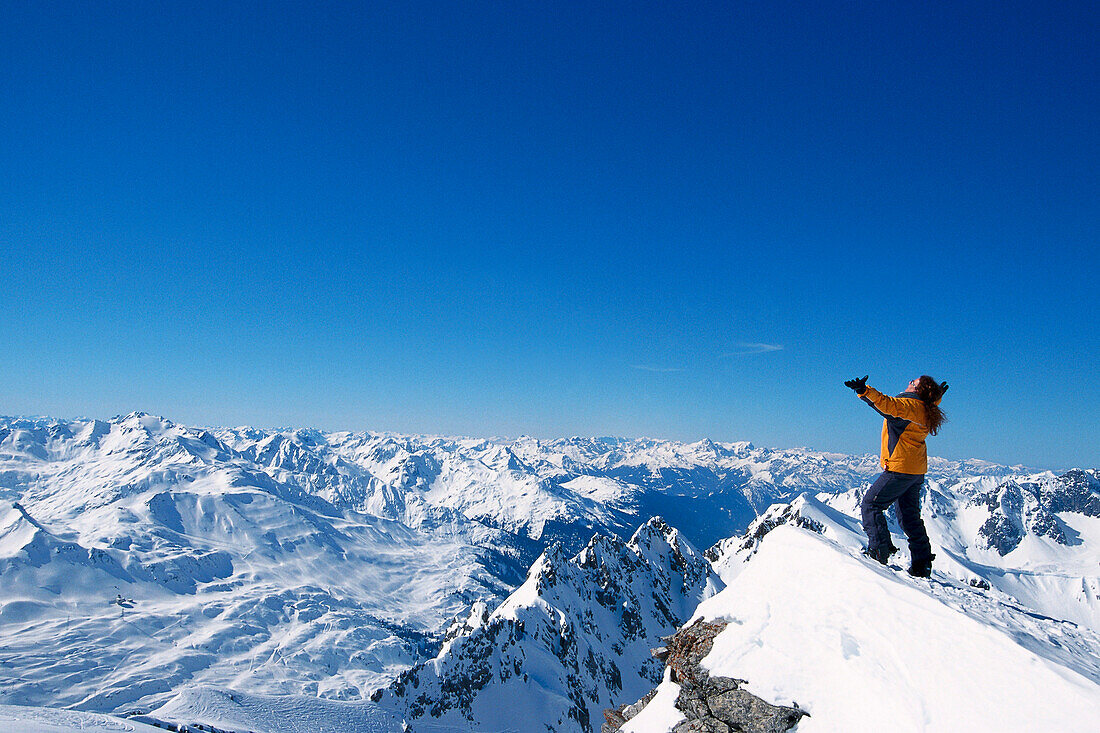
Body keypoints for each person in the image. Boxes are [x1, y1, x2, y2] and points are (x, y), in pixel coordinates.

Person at [844, 375, 948, 577]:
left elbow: (885, 404)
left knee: (871, 505)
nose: (908, 383)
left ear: (918, 390)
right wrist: (937, 397)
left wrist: (864, 391)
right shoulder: (927, 407)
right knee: (909, 518)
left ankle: (878, 551)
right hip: (916, 470)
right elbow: (927, 401)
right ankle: (922, 562)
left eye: (913, 382)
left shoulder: (909, 406)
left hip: (900, 468)